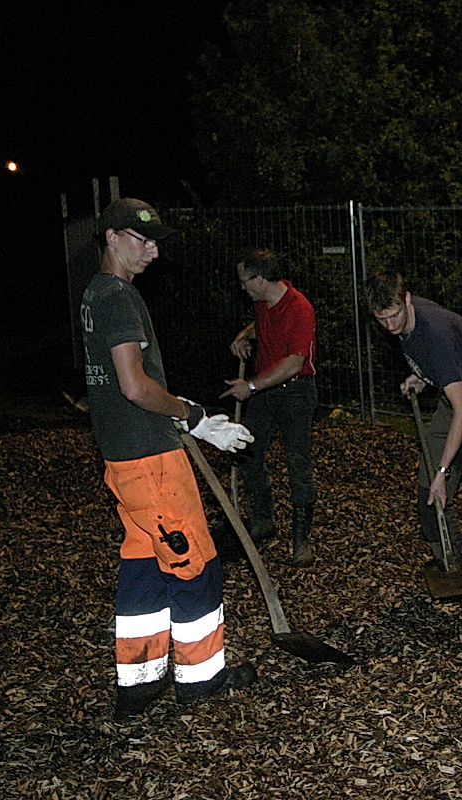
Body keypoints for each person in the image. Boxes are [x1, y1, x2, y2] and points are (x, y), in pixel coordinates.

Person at [80, 198, 257, 722]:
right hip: (152, 459)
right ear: (111, 237)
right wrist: (194, 417)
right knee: (193, 563)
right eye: (141, 238)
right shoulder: (117, 297)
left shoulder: (93, 294)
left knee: (142, 565)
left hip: (122, 459)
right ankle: (203, 677)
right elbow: (135, 386)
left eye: (156, 240)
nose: (153, 250)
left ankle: (138, 679)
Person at [365, 271, 462, 637]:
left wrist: (444, 472)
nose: (389, 325)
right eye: (380, 319)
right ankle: (452, 568)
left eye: (394, 316)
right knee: (426, 496)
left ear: (408, 299)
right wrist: (423, 377)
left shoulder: (435, 333)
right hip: (458, 398)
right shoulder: (409, 324)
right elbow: (446, 375)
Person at [220, 248, 319, 568]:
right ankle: (263, 522)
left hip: (295, 393)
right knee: (247, 453)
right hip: (264, 394)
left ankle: (301, 540)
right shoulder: (263, 302)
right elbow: (261, 325)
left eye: (244, 280)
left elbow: (294, 363)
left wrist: (249, 386)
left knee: (298, 465)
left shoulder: (300, 308)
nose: (241, 286)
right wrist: (244, 335)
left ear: (260, 278)